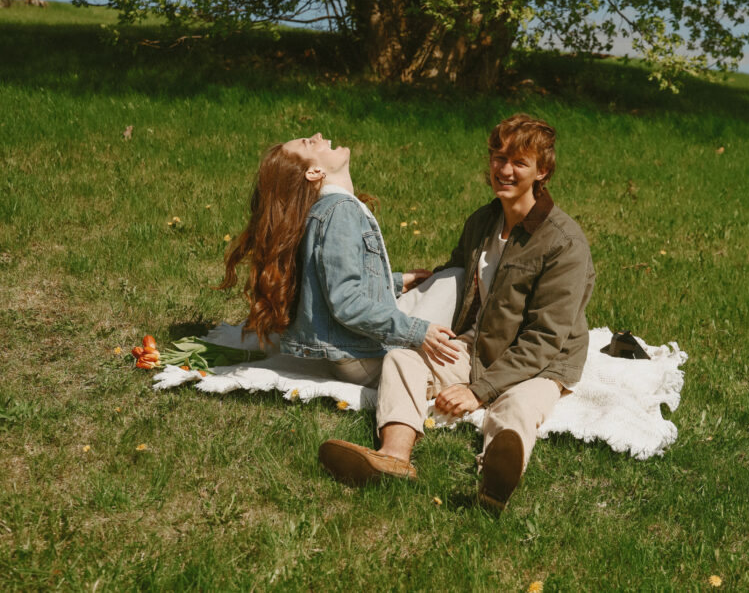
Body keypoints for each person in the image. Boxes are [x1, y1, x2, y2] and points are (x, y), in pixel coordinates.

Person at [319, 114, 595, 511]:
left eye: (519, 162)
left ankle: (495, 486)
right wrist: (414, 284)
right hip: (478, 343)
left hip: (543, 362)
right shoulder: (483, 221)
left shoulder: (564, 243)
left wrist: (478, 391)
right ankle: (394, 457)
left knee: (516, 406)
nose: (504, 170)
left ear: (542, 171)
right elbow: (459, 278)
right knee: (402, 358)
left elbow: (546, 340)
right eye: (499, 158)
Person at [219, 133, 460, 385]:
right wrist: (418, 332)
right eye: (309, 143)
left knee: (434, 283)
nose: (318, 135)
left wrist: (398, 282)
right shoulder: (339, 210)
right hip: (365, 359)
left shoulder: (320, 211)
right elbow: (346, 301)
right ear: (314, 172)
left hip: (348, 355)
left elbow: (326, 280)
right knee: (456, 279)